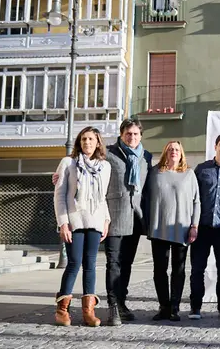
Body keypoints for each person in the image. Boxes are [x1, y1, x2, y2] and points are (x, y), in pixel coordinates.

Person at [53, 126, 112, 327]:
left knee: (91, 264)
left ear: (98, 142)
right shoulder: (68, 163)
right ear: (79, 142)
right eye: (84, 139)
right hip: (74, 221)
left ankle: (88, 311)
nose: (87, 142)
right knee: (74, 263)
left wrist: (106, 220)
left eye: (91, 139)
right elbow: (60, 196)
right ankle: (62, 310)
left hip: (95, 221)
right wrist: (63, 223)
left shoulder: (105, 166)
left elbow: (102, 197)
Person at [103, 119, 152, 326]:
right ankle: (113, 305)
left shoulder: (146, 156)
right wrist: (60, 174)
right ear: (121, 135)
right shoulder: (108, 153)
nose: (132, 137)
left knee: (127, 264)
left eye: (135, 134)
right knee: (113, 263)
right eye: (128, 134)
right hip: (114, 216)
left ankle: (122, 301)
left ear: (140, 136)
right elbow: (81, 162)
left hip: (136, 217)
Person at [145, 141, 201, 322]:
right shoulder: (154, 173)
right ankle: (164, 306)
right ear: (165, 153)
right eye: (170, 150)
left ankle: (175, 307)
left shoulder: (189, 174)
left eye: (177, 149)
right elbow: (144, 197)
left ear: (181, 153)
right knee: (159, 269)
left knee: (178, 269)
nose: (173, 152)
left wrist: (194, 226)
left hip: (182, 228)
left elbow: (196, 202)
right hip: (158, 227)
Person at [189, 133, 220, 320]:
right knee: (197, 269)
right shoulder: (202, 169)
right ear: (215, 147)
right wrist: (191, 224)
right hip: (201, 228)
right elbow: (192, 198)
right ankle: (195, 307)